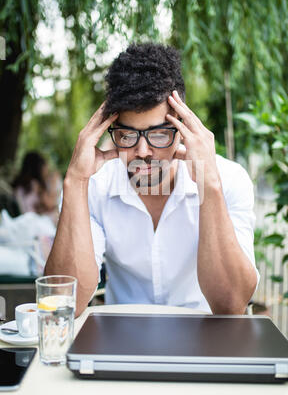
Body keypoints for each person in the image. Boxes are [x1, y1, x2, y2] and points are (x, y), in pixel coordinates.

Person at [45, 43, 259, 317]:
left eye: (158, 135)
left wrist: (210, 186)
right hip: (120, 339)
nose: (142, 152)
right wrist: (75, 181)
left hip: (206, 338)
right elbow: (65, 302)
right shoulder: (92, 185)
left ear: (182, 127)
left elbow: (231, 305)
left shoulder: (229, 179)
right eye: (127, 135)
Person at [12, 151, 62, 226]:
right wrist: (54, 184)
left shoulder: (21, 186)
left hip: (25, 219)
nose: (47, 169)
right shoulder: (35, 185)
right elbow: (50, 204)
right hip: (33, 223)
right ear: (39, 167)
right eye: (45, 165)